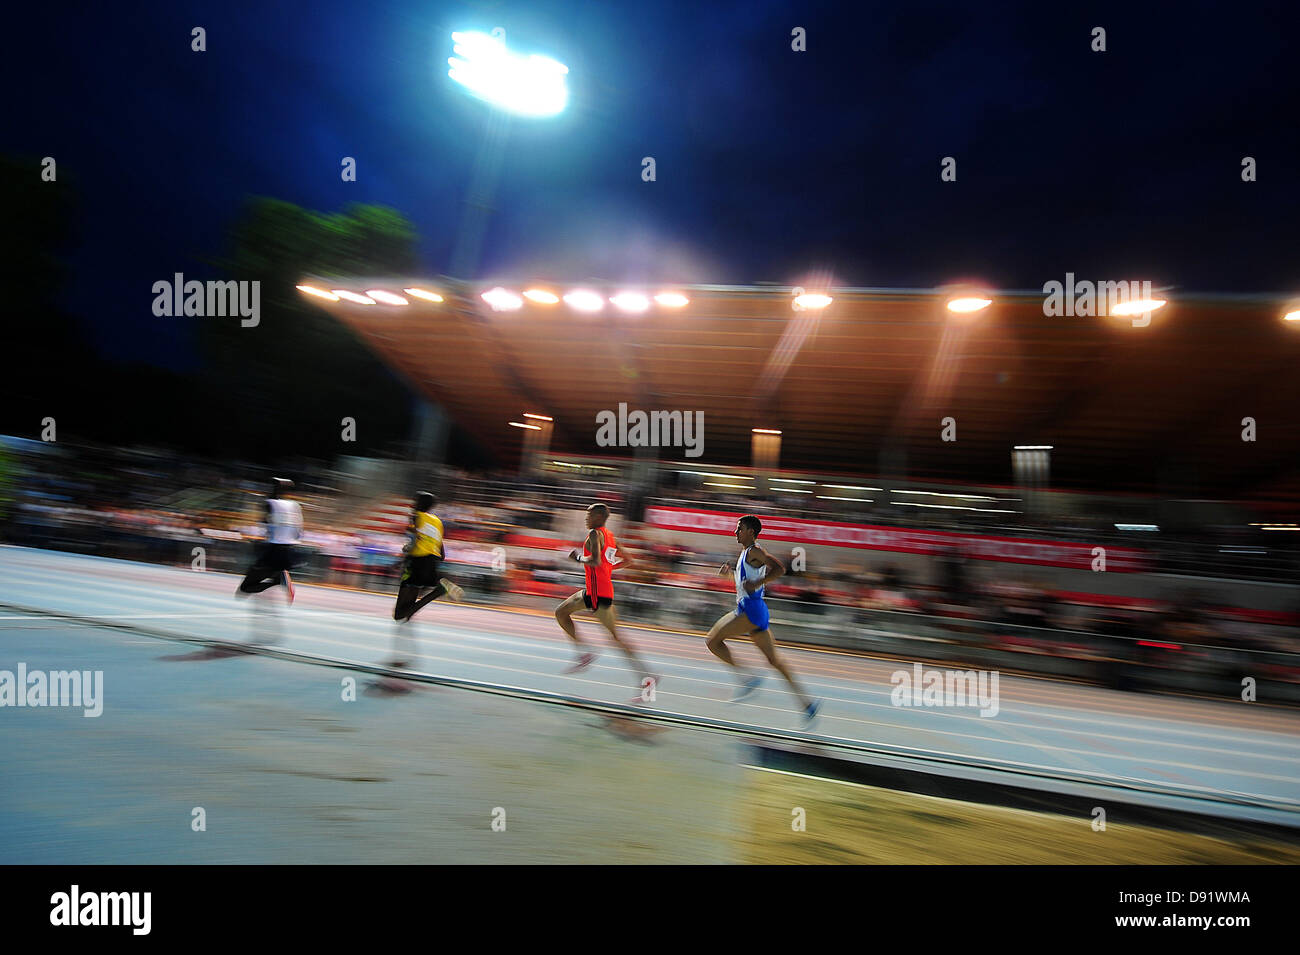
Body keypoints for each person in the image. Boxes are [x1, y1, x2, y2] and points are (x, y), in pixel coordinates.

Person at [705, 515, 821, 722]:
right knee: (774, 660)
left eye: (739, 529)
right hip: (756, 610)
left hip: (749, 610)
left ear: (750, 531)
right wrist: (730, 576)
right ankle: (807, 703)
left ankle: (748, 678)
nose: (735, 532)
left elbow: (780, 568)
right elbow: (745, 584)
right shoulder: (746, 554)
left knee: (712, 641)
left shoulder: (755, 551)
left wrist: (759, 582)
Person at [555, 503, 658, 699]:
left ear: (599, 517)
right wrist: (607, 571)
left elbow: (594, 561)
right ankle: (585, 653)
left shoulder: (595, 534)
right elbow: (629, 561)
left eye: (589, 515)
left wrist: (577, 558)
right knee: (561, 612)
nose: (586, 518)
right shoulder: (612, 537)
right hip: (597, 590)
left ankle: (648, 675)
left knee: (616, 638)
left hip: (597, 594)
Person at [389, 490, 464, 666]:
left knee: (399, 614)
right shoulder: (437, 522)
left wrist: (401, 560)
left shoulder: (415, 516)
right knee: (406, 613)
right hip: (431, 562)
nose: (412, 504)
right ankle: (438, 590)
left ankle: (439, 591)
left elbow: (414, 542)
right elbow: (442, 552)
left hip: (416, 563)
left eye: (415, 501)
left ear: (419, 504)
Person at [236, 477, 302, 604]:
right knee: (251, 584)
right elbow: (297, 533)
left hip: (274, 552)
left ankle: (278, 581)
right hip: (290, 553)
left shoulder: (271, 504)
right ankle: (278, 577)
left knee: (245, 588)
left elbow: (268, 505)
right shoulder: (295, 506)